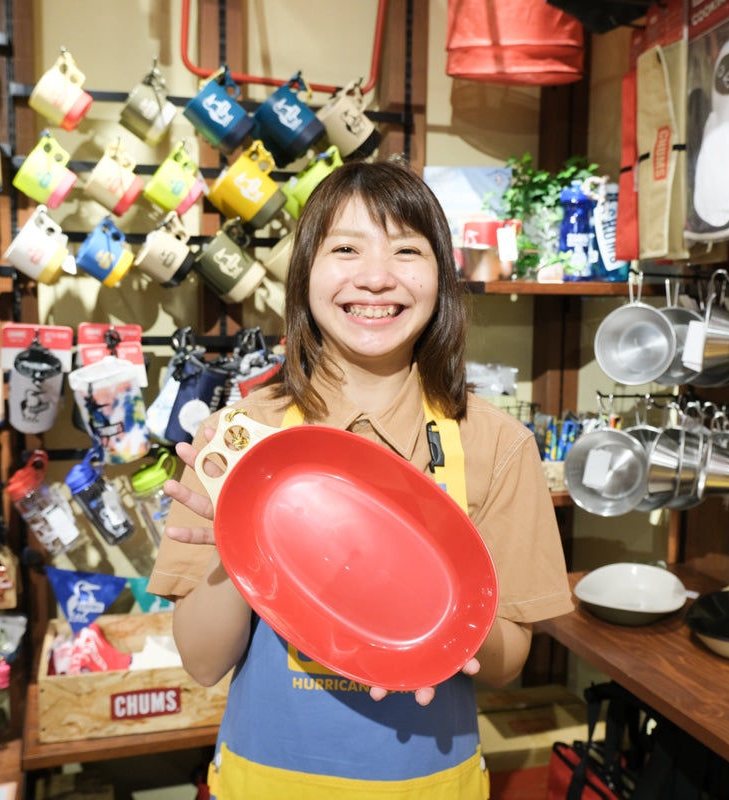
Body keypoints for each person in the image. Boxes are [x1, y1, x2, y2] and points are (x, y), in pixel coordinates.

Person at [147, 159, 574, 800]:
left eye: (407, 250)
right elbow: (203, 664)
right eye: (345, 248)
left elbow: (509, 663)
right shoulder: (236, 438)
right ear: (307, 275)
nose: (375, 278)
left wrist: (437, 616)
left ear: (441, 278)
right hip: (264, 780)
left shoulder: (498, 445)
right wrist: (246, 530)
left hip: (430, 782)